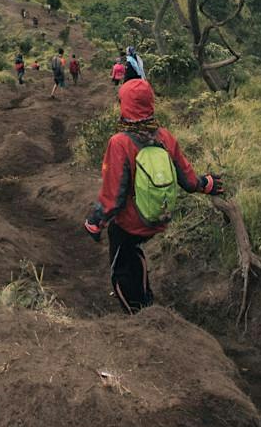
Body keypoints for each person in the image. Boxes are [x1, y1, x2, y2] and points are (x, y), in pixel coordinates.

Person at [83, 79, 225, 312]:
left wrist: (95, 221)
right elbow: (189, 181)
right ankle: (146, 297)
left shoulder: (119, 143)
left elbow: (113, 196)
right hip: (160, 217)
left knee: (120, 271)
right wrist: (206, 184)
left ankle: (138, 315)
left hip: (131, 223)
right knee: (133, 252)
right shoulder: (164, 137)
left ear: (125, 106)